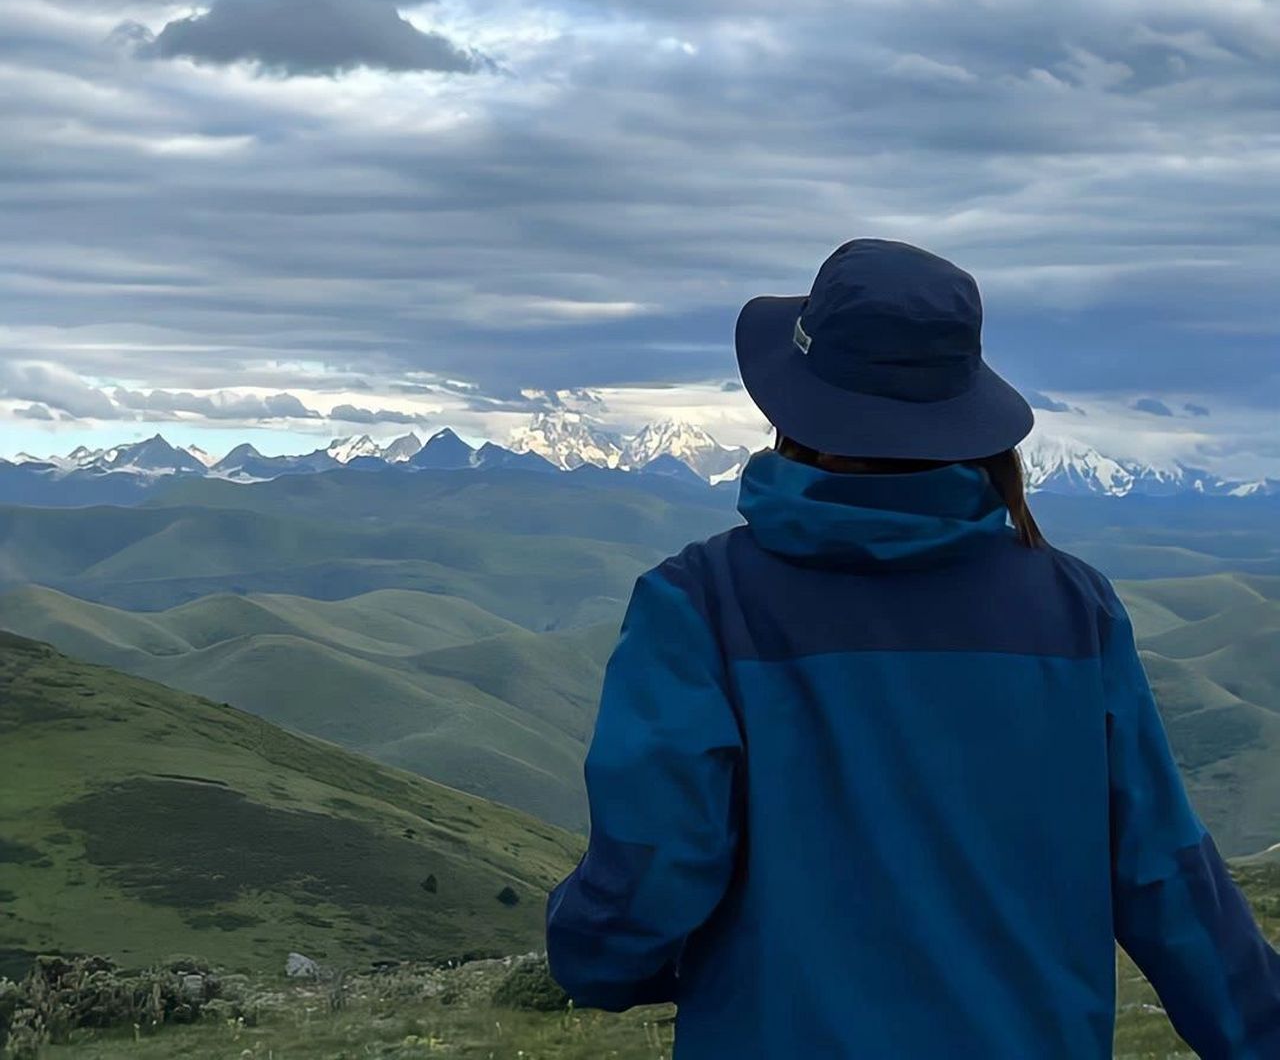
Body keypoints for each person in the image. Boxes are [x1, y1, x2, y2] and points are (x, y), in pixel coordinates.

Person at [544, 238, 1280, 1058]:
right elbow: (1166, 877)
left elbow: (658, 862)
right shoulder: (1075, 609)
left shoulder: (700, 604)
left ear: (794, 406)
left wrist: (596, 961)